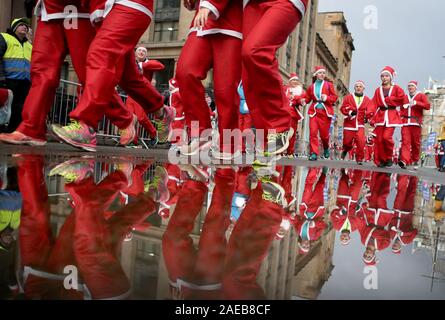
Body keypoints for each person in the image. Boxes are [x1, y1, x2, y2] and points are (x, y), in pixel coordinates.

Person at [0, 0, 137, 148]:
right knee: (41, 70)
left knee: (88, 74)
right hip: (49, 10)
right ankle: (31, 128)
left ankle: (124, 119)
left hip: (79, 11)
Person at [51, 0, 175, 152]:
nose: (141, 53)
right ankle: (161, 111)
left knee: (100, 55)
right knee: (128, 78)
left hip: (128, 4)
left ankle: (86, 126)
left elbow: (158, 66)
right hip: (107, 12)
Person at [241, 0, 309, 157]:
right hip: (250, 4)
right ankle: (266, 138)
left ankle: (280, 126)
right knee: (248, 72)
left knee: (254, 51)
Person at [176, 0, 242, 160]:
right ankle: (200, 134)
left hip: (231, 25)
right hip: (202, 25)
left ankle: (229, 143)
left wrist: (208, 5)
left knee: (225, 89)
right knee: (185, 71)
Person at [368, 66, 406, 168]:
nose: (384, 78)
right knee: (379, 140)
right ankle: (381, 160)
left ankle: (389, 157)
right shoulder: (378, 90)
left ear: (391, 77)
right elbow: (373, 103)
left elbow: (402, 98)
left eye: (386, 76)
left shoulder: (397, 88)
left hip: (391, 116)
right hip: (380, 116)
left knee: (386, 137)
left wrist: (390, 100)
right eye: (382, 76)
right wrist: (370, 114)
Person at [0, 18, 32, 133]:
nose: (25, 27)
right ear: (14, 27)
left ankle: (13, 131)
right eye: (21, 25)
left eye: (26, 26)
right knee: (3, 106)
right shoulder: (4, 37)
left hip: (24, 82)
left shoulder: (29, 45)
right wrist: (1, 77)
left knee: (19, 107)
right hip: (8, 79)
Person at [305, 66, 338, 161]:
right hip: (314, 112)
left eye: (323, 73)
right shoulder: (311, 87)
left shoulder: (328, 85)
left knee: (324, 135)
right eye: (320, 73)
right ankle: (314, 153)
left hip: (325, 112)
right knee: (313, 133)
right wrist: (302, 100)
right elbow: (307, 99)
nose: (322, 74)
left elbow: (334, 97)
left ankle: (326, 147)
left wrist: (327, 98)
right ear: (316, 75)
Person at [399, 81, 431, 169]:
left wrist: (417, 103)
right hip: (405, 122)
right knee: (405, 142)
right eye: (408, 86)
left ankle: (415, 159)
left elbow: (428, 106)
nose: (410, 87)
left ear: (416, 87)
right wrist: (400, 115)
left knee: (415, 143)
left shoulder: (421, 96)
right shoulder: (405, 97)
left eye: (412, 86)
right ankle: (404, 161)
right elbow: (401, 109)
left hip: (416, 123)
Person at [340, 80, 372, 165]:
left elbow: (370, 110)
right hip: (349, 123)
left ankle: (359, 158)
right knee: (347, 142)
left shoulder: (367, 99)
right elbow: (342, 108)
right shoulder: (348, 97)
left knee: (361, 141)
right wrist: (349, 112)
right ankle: (346, 149)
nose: (358, 88)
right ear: (354, 88)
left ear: (363, 88)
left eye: (360, 86)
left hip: (360, 124)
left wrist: (367, 117)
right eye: (357, 86)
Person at [284, 73, 306, 156]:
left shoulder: (300, 91)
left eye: (296, 80)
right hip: (284, 114)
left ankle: (290, 151)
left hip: (293, 114)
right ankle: (281, 150)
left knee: (292, 133)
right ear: (290, 81)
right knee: (283, 132)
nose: (295, 81)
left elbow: (301, 101)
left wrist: (295, 97)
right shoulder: (285, 89)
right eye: (293, 80)